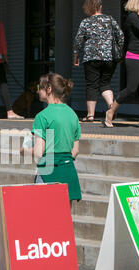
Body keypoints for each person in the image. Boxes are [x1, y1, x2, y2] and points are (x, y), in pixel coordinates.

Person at [21, 73, 82, 205]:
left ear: (48, 89)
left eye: (39, 87)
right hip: (68, 171)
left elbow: (38, 152)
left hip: (47, 172)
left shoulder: (42, 117)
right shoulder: (73, 115)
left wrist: (25, 150)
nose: (37, 91)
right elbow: (75, 151)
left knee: (43, 220)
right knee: (63, 221)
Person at [104, 0, 139, 129]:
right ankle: (111, 111)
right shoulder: (132, 17)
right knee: (131, 88)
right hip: (134, 56)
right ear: (138, 3)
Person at [73, 0, 124, 122]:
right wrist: (118, 49)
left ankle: (90, 115)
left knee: (92, 85)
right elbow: (121, 36)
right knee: (105, 83)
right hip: (109, 58)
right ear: (100, 7)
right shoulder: (109, 19)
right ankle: (111, 109)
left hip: (91, 57)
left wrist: (76, 56)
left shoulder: (85, 22)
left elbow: (78, 41)